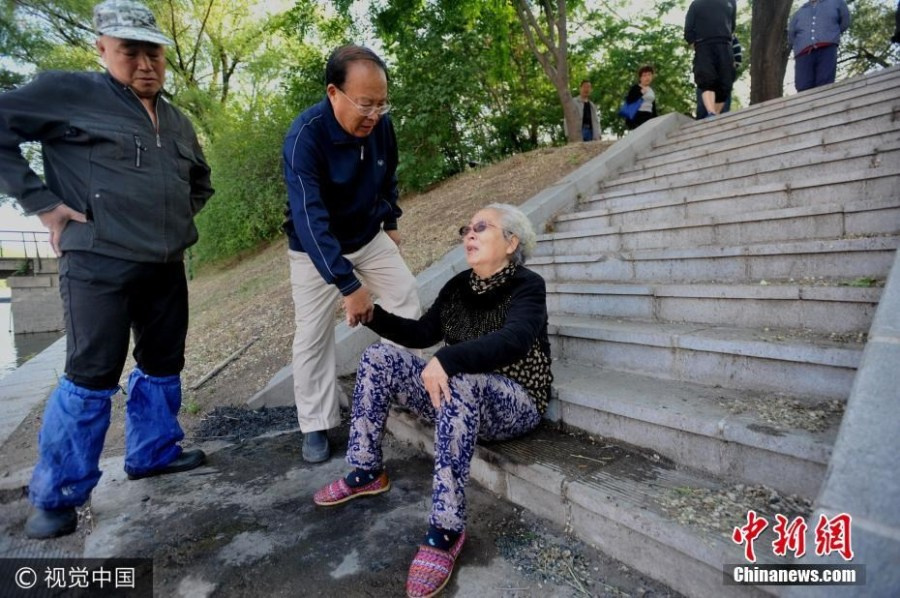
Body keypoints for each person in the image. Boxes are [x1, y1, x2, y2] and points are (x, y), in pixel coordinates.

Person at [0, 0, 214, 539]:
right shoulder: (68, 92)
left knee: (164, 361)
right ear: (102, 48)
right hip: (97, 262)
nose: (145, 63)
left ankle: (153, 452)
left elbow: (199, 181)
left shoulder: (177, 118)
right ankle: (58, 495)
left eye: (154, 52)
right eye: (129, 52)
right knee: (92, 372)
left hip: (165, 265)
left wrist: (172, 223)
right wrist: (43, 205)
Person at [313, 203, 552, 598]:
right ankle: (365, 471)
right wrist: (373, 315)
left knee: (458, 378)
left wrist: (449, 359)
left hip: (515, 400)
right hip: (460, 393)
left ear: (512, 242)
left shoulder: (528, 285)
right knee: (379, 357)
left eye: (481, 227)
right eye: (466, 229)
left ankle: (446, 528)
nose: (468, 235)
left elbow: (516, 340)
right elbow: (424, 332)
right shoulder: (459, 285)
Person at [282, 45, 421, 464]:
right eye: (365, 103)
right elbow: (310, 219)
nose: (375, 114)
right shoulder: (304, 137)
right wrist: (348, 284)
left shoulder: (382, 125)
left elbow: (388, 174)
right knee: (312, 335)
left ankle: (410, 391)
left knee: (405, 298)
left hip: (368, 233)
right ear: (333, 93)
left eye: (382, 103)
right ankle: (316, 424)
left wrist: (391, 222)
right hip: (315, 249)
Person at [684, 0, 737, 118]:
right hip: (703, 44)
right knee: (706, 79)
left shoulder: (731, 2)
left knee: (726, 83)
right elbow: (688, 30)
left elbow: (732, 25)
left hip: (724, 44)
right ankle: (711, 113)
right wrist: (697, 45)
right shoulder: (696, 4)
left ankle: (715, 116)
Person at [788, 0, 851, 92]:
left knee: (825, 83)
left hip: (827, 49)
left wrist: (830, 35)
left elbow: (845, 22)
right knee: (803, 86)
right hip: (803, 54)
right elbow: (791, 35)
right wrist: (802, 44)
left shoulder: (837, 3)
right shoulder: (799, 12)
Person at [696, 35, 742, 119]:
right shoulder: (704, 34)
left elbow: (738, 60)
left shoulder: (731, 37)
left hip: (723, 79)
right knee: (703, 111)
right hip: (707, 78)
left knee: (722, 112)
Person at [625, 66, 658, 130]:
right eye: (644, 75)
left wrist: (656, 120)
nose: (647, 77)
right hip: (639, 117)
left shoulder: (651, 90)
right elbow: (629, 102)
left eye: (649, 75)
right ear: (640, 78)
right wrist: (640, 93)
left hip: (649, 116)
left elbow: (653, 108)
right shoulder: (636, 88)